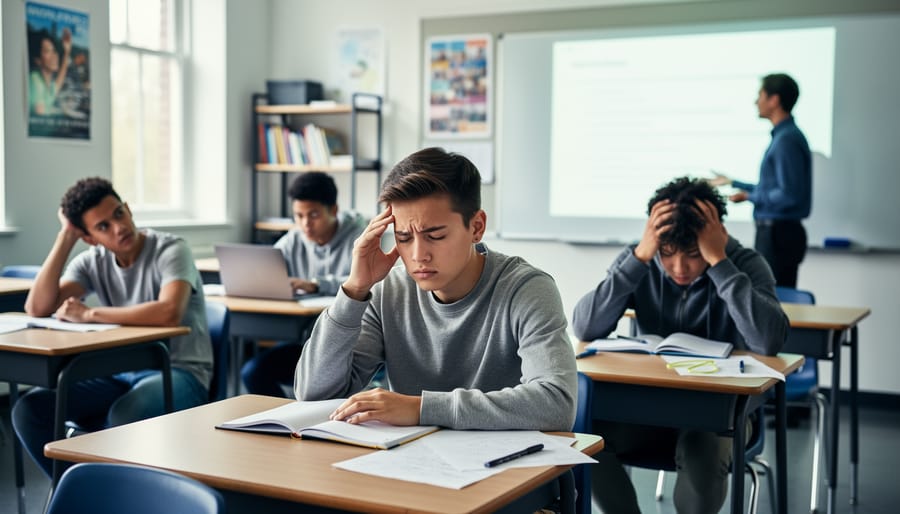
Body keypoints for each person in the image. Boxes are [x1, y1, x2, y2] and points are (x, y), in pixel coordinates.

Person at [294, 147, 577, 433]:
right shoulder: (387, 291)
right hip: (407, 456)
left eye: (436, 236)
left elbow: (557, 404)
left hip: (504, 459)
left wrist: (421, 409)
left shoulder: (527, 289)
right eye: (404, 238)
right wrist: (354, 290)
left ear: (476, 227)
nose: (419, 255)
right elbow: (313, 394)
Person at [572, 176, 788, 514]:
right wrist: (640, 258)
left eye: (693, 254)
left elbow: (769, 340)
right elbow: (585, 326)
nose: (679, 268)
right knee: (584, 437)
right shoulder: (640, 258)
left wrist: (720, 263)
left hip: (719, 417)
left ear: (716, 238)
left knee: (701, 448)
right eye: (667, 254)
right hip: (647, 411)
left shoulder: (745, 263)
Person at [13, 177, 211, 477]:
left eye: (119, 214)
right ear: (90, 238)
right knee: (29, 410)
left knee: (125, 414)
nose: (118, 227)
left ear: (128, 209)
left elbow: (169, 312)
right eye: (103, 226)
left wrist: (90, 314)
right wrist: (66, 236)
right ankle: (83, 491)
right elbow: (37, 307)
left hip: (181, 372)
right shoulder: (92, 260)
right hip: (119, 372)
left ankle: (105, 490)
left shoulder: (171, 249)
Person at [241, 172, 366, 397]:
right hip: (306, 342)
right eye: (298, 216)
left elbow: (365, 281)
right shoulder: (294, 239)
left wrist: (316, 284)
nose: (305, 224)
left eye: (313, 215)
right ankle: (284, 417)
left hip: (349, 345)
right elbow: (267, 268)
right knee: (253, 373)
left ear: (334, 210)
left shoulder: (360, 238)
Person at [711, 73, 812, 288]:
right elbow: (773, 188)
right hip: (776, 234)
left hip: (779, 235)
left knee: (773, 297)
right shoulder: (784, 137)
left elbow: (788, 195)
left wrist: (749, 196)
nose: (756, 101)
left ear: (774, 100)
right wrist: (734, 182)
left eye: (760, 95)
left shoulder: (786, 140)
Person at [29, 28, 71, 116]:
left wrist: (67, 51)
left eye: (54, 51)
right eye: (47, 51)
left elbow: (60, 80)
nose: (54, 56)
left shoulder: (48, 84)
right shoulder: (35, 80)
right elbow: (40, 117)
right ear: (38, 60)